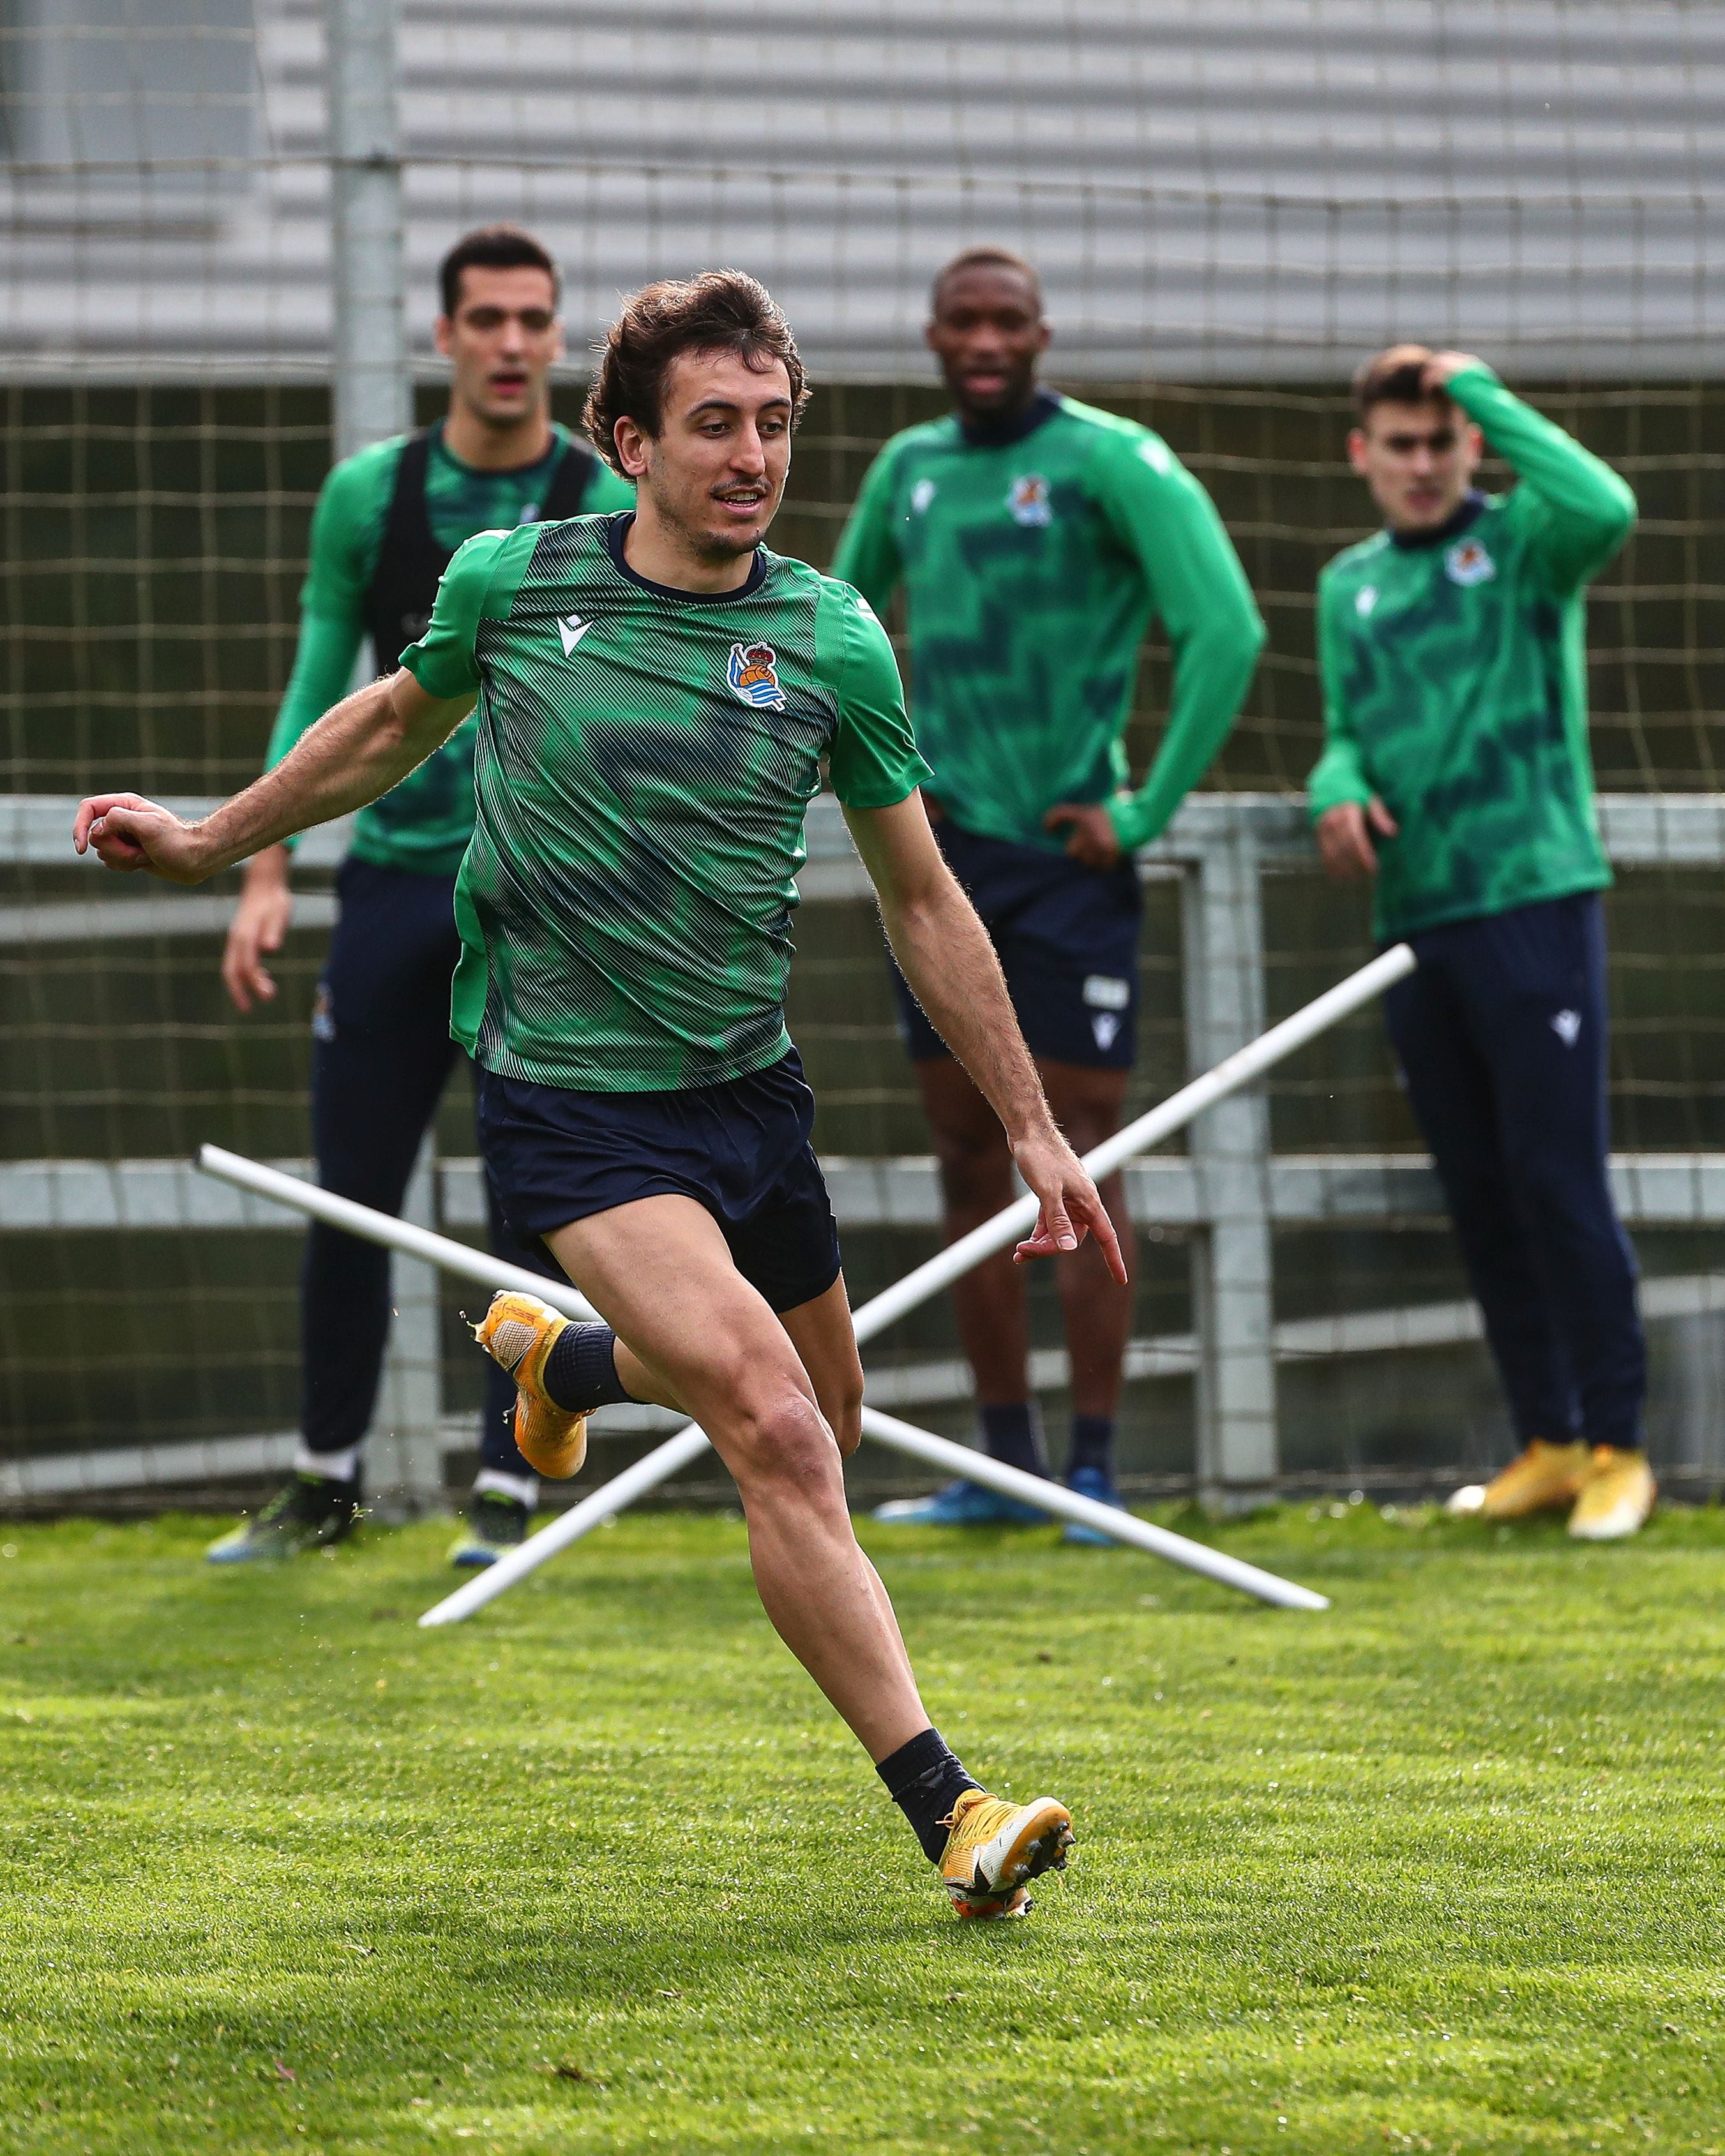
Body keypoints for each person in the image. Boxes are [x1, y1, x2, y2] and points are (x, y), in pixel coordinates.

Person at [73, 270, 1127, 1920]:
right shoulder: (512, 582)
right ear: (625, 441)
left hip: (746, 1092)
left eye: (775, 425)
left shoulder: (831, 637)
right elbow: (385, 723)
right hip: (573, 1100)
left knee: (822, 1436)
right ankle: (950, 1805)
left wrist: (1029, 1122)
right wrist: (218, 836)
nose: (751, 457)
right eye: (714, 425)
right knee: (774, 1424)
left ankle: (562, 1359)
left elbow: (922, 899)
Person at [211, 225, 634, 1571]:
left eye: (533, 320)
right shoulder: (369, 497)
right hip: (396, 886)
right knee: (352, 1190)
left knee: (536, 1199)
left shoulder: (606, 499)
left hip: (546, 901)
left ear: (558, 341)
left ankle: (507, 1494)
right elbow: (316, 687)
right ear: (446, 336)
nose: (511, 343)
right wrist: (260, 867)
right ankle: (323, 1482)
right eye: (486, 319)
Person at [831, 246, 1263, 1537]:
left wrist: (1141, 810)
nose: (982, 338)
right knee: (963, 1155)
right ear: (929, 335)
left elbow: (1226, 632)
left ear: (1040, 333)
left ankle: (1089, 1468)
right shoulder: (906, 470)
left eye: (1004, 320)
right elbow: (828, 618)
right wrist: (893, 774)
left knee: (1077, 1159)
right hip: (943, 868)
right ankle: (1001, 1467)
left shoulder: (1111, 462)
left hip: (1072, 867)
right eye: (960, 319)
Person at [1309, 345, 1651, 1540]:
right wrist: (1335, 780)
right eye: (1397, 444)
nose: (1417, 464)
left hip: (1533, 898)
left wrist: (1485, 394)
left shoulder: (1524, 547)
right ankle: (1548, 1439)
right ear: (1361, 454)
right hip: (1414, 918)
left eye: (1437, 442)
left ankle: (1620, 1445)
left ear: (1466, 449)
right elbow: (1344, 730)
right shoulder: (1346, 583)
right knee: (1481, 1193)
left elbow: (1607, 503)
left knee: (1560, 1182)